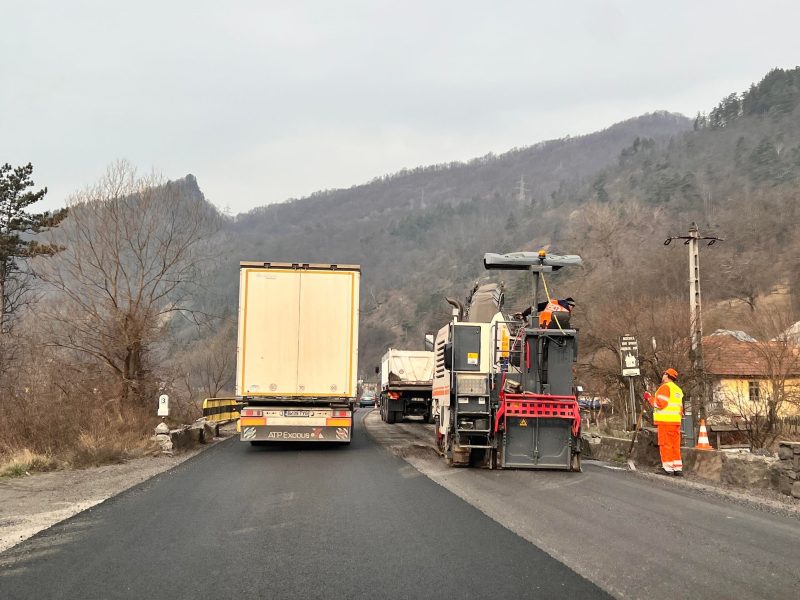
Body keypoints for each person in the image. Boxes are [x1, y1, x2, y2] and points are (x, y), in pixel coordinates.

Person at [644, 368, 684, 476]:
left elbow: (659, 403)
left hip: (666, 422)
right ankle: (677, 468)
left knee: (665, 444)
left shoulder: (665, 387)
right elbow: (680, 408)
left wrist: (649, 398)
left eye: (664, 374)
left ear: (667, 375)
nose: (663, 375)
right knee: (675, 445)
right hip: (676, 422)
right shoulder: (677, 390)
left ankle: (667, 468)